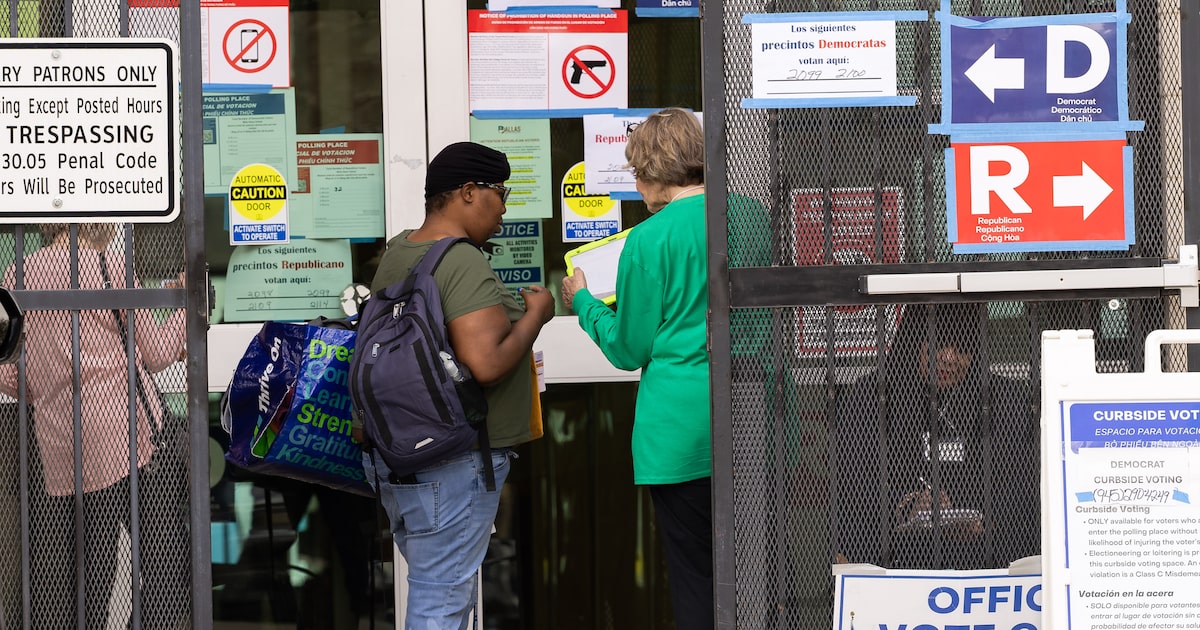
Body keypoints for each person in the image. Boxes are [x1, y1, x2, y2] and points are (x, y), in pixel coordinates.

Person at [361, 141, 555, 629]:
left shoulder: (400, 250)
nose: (505, 208)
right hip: (454, 459)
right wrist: (537, 316)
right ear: (469, 192)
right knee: (441, 601)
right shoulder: (461, 259)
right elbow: (486, 362)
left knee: (444, 589)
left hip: (404, 453)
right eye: (500, 192)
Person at [560, 107, 714, 630]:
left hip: (682, 430)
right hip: (755, 417)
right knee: (754, 571)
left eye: (634, 171)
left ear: (651, 172)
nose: (635, 183)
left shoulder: (647, 240)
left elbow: (629, 349)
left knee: (697, 577)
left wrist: (584, 302)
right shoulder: (749, 216)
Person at [0, 223, 188, 629]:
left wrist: (54, 388)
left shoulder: (15, 275)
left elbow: (10, 376)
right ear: (95, 221)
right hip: (129, 442)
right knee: (162, 567)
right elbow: (155, 355)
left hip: (64, 450)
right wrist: (185, 303)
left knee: (89, 577)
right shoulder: (109, 265)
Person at [834, 303, 1040, 570]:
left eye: (962, 347)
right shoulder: (872, 396)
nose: (949, 357)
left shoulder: (1004, 398)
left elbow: (1021, 486)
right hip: (897, 564)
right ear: (914, 342)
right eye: (939, 344)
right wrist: (905, 506)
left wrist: (977, 516)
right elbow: (852, 486)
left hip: (980, 566)